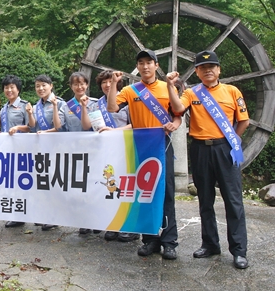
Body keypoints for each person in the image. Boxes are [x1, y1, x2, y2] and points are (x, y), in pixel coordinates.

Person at [166, 50, 250, 269]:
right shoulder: (192, 93)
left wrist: (234, 139)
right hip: (200, 150)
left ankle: (239, 251)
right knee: (205, 200)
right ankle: (210, 244)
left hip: (225, 149)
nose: (208, 70)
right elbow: (177, 108)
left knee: (233, 200)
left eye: (211, 66)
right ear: (197, 72)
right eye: (203, 68)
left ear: (218, 69)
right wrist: (170, 86)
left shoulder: (232, 91)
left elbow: (244, 120)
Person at [107, 50, 182, 260]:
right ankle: (149, 240)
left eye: (149, 62)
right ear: (137, 67)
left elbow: (178, 115)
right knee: (144, 193)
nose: (145, 66)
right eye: (141, 63)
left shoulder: (167, 87)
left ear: (156, 65)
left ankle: (169, 242)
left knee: (166, 193)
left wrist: (174, 125)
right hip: (140, 148)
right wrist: (114, 84)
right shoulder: (130, 90)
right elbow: (112, 107)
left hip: (162, 146)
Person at [86, 70, 137, 242]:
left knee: (127, 188)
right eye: (103, 82)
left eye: (110, 81)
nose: (107, 85)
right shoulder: (96, 105)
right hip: (105, 151)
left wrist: (114, 131)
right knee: (110, 187)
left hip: (126, 149)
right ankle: (112, 224)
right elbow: (93, 128)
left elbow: (135, 124)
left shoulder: (127, 100)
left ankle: (130, 227)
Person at [0, 74, 34, 228]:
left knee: (23, 181)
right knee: (12, 182)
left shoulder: (24, 105)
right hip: (7, 150)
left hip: (22, 149)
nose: (9, 90)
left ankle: (30, 213)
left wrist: (17, 128)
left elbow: (31, 126)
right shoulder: (4, 107)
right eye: (6, 87)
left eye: (12, 87)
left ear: (18, 89)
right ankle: (17, 215)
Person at [60, 72, 98, 235]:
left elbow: (97, 126)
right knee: (79, 187)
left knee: (95, 185)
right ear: (71, 86)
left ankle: (97, 219)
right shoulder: (65, 106)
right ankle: (84, 220)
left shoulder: (95, 104)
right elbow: (60, 127)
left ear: (87, 85)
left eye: (82, 83)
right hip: (75, 152)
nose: (79, 87)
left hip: (94, 150)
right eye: (76, 84)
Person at [31, 75, 67, 231]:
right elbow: (33, 127)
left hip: (58, 148)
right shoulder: (36, 107)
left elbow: (61, 127)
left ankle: (55, 216)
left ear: (51, 86)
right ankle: (44, 214)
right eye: (37, 86)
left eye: (43, 85)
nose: (40, 88)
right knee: (43, 182)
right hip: (42, 149)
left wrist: (46, 132)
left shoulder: (61, 103)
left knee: (56, 182)